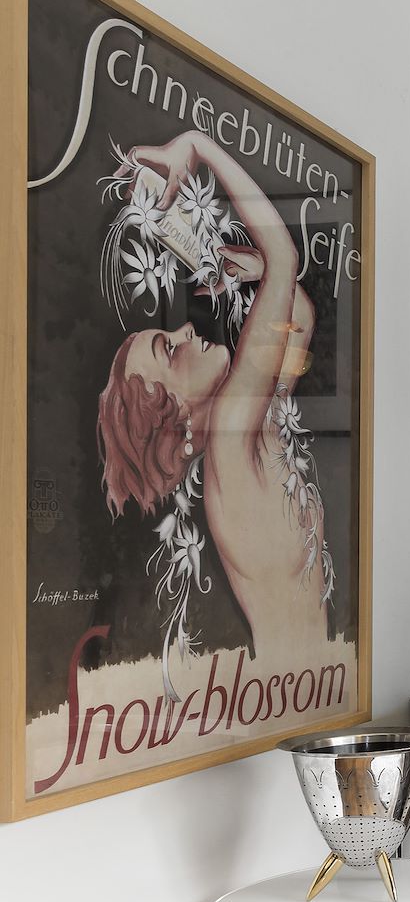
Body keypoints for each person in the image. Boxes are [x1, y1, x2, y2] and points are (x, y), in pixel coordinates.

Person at [96, 130, 329, 684]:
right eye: (169, 349)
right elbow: (286, 256)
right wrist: (196, 146)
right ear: (174, 415)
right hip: (297, 688)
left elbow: (299, 320)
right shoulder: (230, 433)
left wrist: (258, 274)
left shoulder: (248, 431)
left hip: (302, 688)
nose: (184, 330)